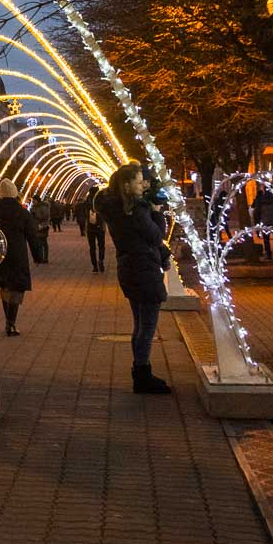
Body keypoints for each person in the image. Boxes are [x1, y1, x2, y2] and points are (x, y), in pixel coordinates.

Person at [103, 161, 172, 394]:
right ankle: (142, 374)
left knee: (139, 324)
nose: (143, 184)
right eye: (139, 180)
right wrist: (157, 212)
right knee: (147, 327)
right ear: (126, 185)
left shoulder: (117, 210)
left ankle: (140, 372)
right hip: (144, 270)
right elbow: (156, 236)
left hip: (129, 269)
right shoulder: (139, 210)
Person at [0, 179, 35, 336]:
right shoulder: (22, 212)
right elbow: (32, 235)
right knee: (16, 288)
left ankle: (9, 320)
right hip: (17, 254)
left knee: (4, 286)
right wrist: (38, 256)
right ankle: (11, 322)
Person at [252, 187, 273, 260]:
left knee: (266, 240)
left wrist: (257, 227)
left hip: (265, 222)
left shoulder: (261, 200)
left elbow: (256, 214)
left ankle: (269, 255)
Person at [84, 185, 107, 274]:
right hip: (100, 227)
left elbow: (84, 214)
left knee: (92, 247)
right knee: (101, 246)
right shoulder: (101, 201)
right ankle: (101, 259)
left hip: (90, 228)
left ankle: (94, 267)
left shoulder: (87, 202)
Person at [29, 196, 52, 263]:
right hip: (35, 227)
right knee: (38, 243)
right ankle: (40, 258)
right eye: (32, 201)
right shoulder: (33, 208)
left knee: (43, 242)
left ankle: (45, 258)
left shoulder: (43, 207)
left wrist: (42, 225)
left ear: (37, 200)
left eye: (34, 201)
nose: (33, 202)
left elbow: (46, 218)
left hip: (42, 227)